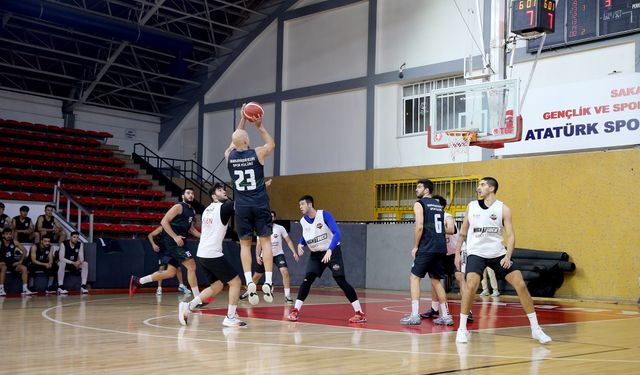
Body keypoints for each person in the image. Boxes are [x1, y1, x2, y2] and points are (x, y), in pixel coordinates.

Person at [454, 177, 551, 344]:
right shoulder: (472, 206)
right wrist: (457, 253)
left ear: (491, 188)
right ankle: (462, 329)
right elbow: (463, 232)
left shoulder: (503, 209)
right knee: (471, 285)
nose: (479, 187)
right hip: (476, 253)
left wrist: (508, 255)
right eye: (479, 185)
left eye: (483, 185)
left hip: (498, 254)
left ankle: (536, 329)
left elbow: (511, 235)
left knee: (520, 283)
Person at [225, 104, 276, 305]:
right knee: (265, 242)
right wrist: (259, 126)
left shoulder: (228, 156)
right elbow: (271, 145)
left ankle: (249, 281)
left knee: (245, 244)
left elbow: (233, 141)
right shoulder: (257, 153)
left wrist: (243, 119)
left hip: (242, 206)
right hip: (260, 203)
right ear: (247, 141)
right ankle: (269, 282)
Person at [287, 195, 366, 323]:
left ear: (310, 204)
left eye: (302, 204)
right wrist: (301, 244)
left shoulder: (324, 215)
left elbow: (337, 233)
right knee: (307, 280)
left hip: (332, 251)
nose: (300, 207)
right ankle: (295, 311)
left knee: (340, 280)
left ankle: (359, 313)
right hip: (316, 255)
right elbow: (307, 234)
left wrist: (330, 250)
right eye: (299, 205)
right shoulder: (303, 221)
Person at [178, 183, 245, 327]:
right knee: (236, 282)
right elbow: (242, 201)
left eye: (224, 190)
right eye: (220, 190)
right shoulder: (224, 207)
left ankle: (188, 306)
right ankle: (230, 317)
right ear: (214, 196)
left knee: (217, 285)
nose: (224, 192)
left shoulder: (207, 209)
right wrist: (257, 188)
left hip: (202, 253)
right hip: (212, 253)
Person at [129, 188, 201, 297]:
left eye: (192, 193)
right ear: (183, 196)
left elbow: (191, 229)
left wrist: (204, 237)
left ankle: (138, 281)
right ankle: (198, 299)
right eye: (188, 193)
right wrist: (175, 237)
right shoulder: (178, 207)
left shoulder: (192, 211)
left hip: (179, 243)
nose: (190, 195)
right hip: (173, 242)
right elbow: (163, 221)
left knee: (170, 273)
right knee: (192, 266)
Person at [400, 180, 452, 326]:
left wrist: (416, 246)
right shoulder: (438, 205)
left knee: (414, 278)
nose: (416, 189)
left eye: (419, 187)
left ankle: (415, 315)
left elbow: (420, 226)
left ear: (427, 190)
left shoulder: (419, 204)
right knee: (436, 281)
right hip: (440, 247)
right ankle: (446, 316)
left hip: (427, 246)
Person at [420, 195, 473, 323]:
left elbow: (451, 229)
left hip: (457, 251)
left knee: (460, 278)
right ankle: (434, 309)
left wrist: (434, 228)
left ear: (441, 206)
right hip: (441, 253)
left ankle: (468, 311)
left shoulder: (447, 216)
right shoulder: (428, 219)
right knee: (435, 280)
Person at [240, 210, 299, 304]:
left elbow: (288, 241)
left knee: (285, 272)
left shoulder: (280, 228)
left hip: (278, 254)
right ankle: (249, 292)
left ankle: (287, 296)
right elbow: (259, 245)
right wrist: (257, 255)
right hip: (265, 256)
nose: (270, 217)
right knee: (256, 276)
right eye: (268, 216)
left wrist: (294, 252)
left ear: (274, 218)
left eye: (272, 216)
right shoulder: (262, 229)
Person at [147, 226, 191, 296]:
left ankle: (181, 285)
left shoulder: (175, 228)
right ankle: (159, 288)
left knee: (178, 268)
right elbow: (150, 235)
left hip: (172, 250)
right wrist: (153, 244)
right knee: (162, 267)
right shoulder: (162, 228)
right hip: (163, 251)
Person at [1, 228, 34, 295]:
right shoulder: (0, 243)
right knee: (4, 268)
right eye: (7, 234)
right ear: (3, 235)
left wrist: (20, 261)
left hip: (11, 263)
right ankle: (1, 289)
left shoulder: (14, 242)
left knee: (24, 268)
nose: (9, 236)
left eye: (10, 234)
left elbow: (25, 251)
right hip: (2, 263)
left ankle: (25, 289)